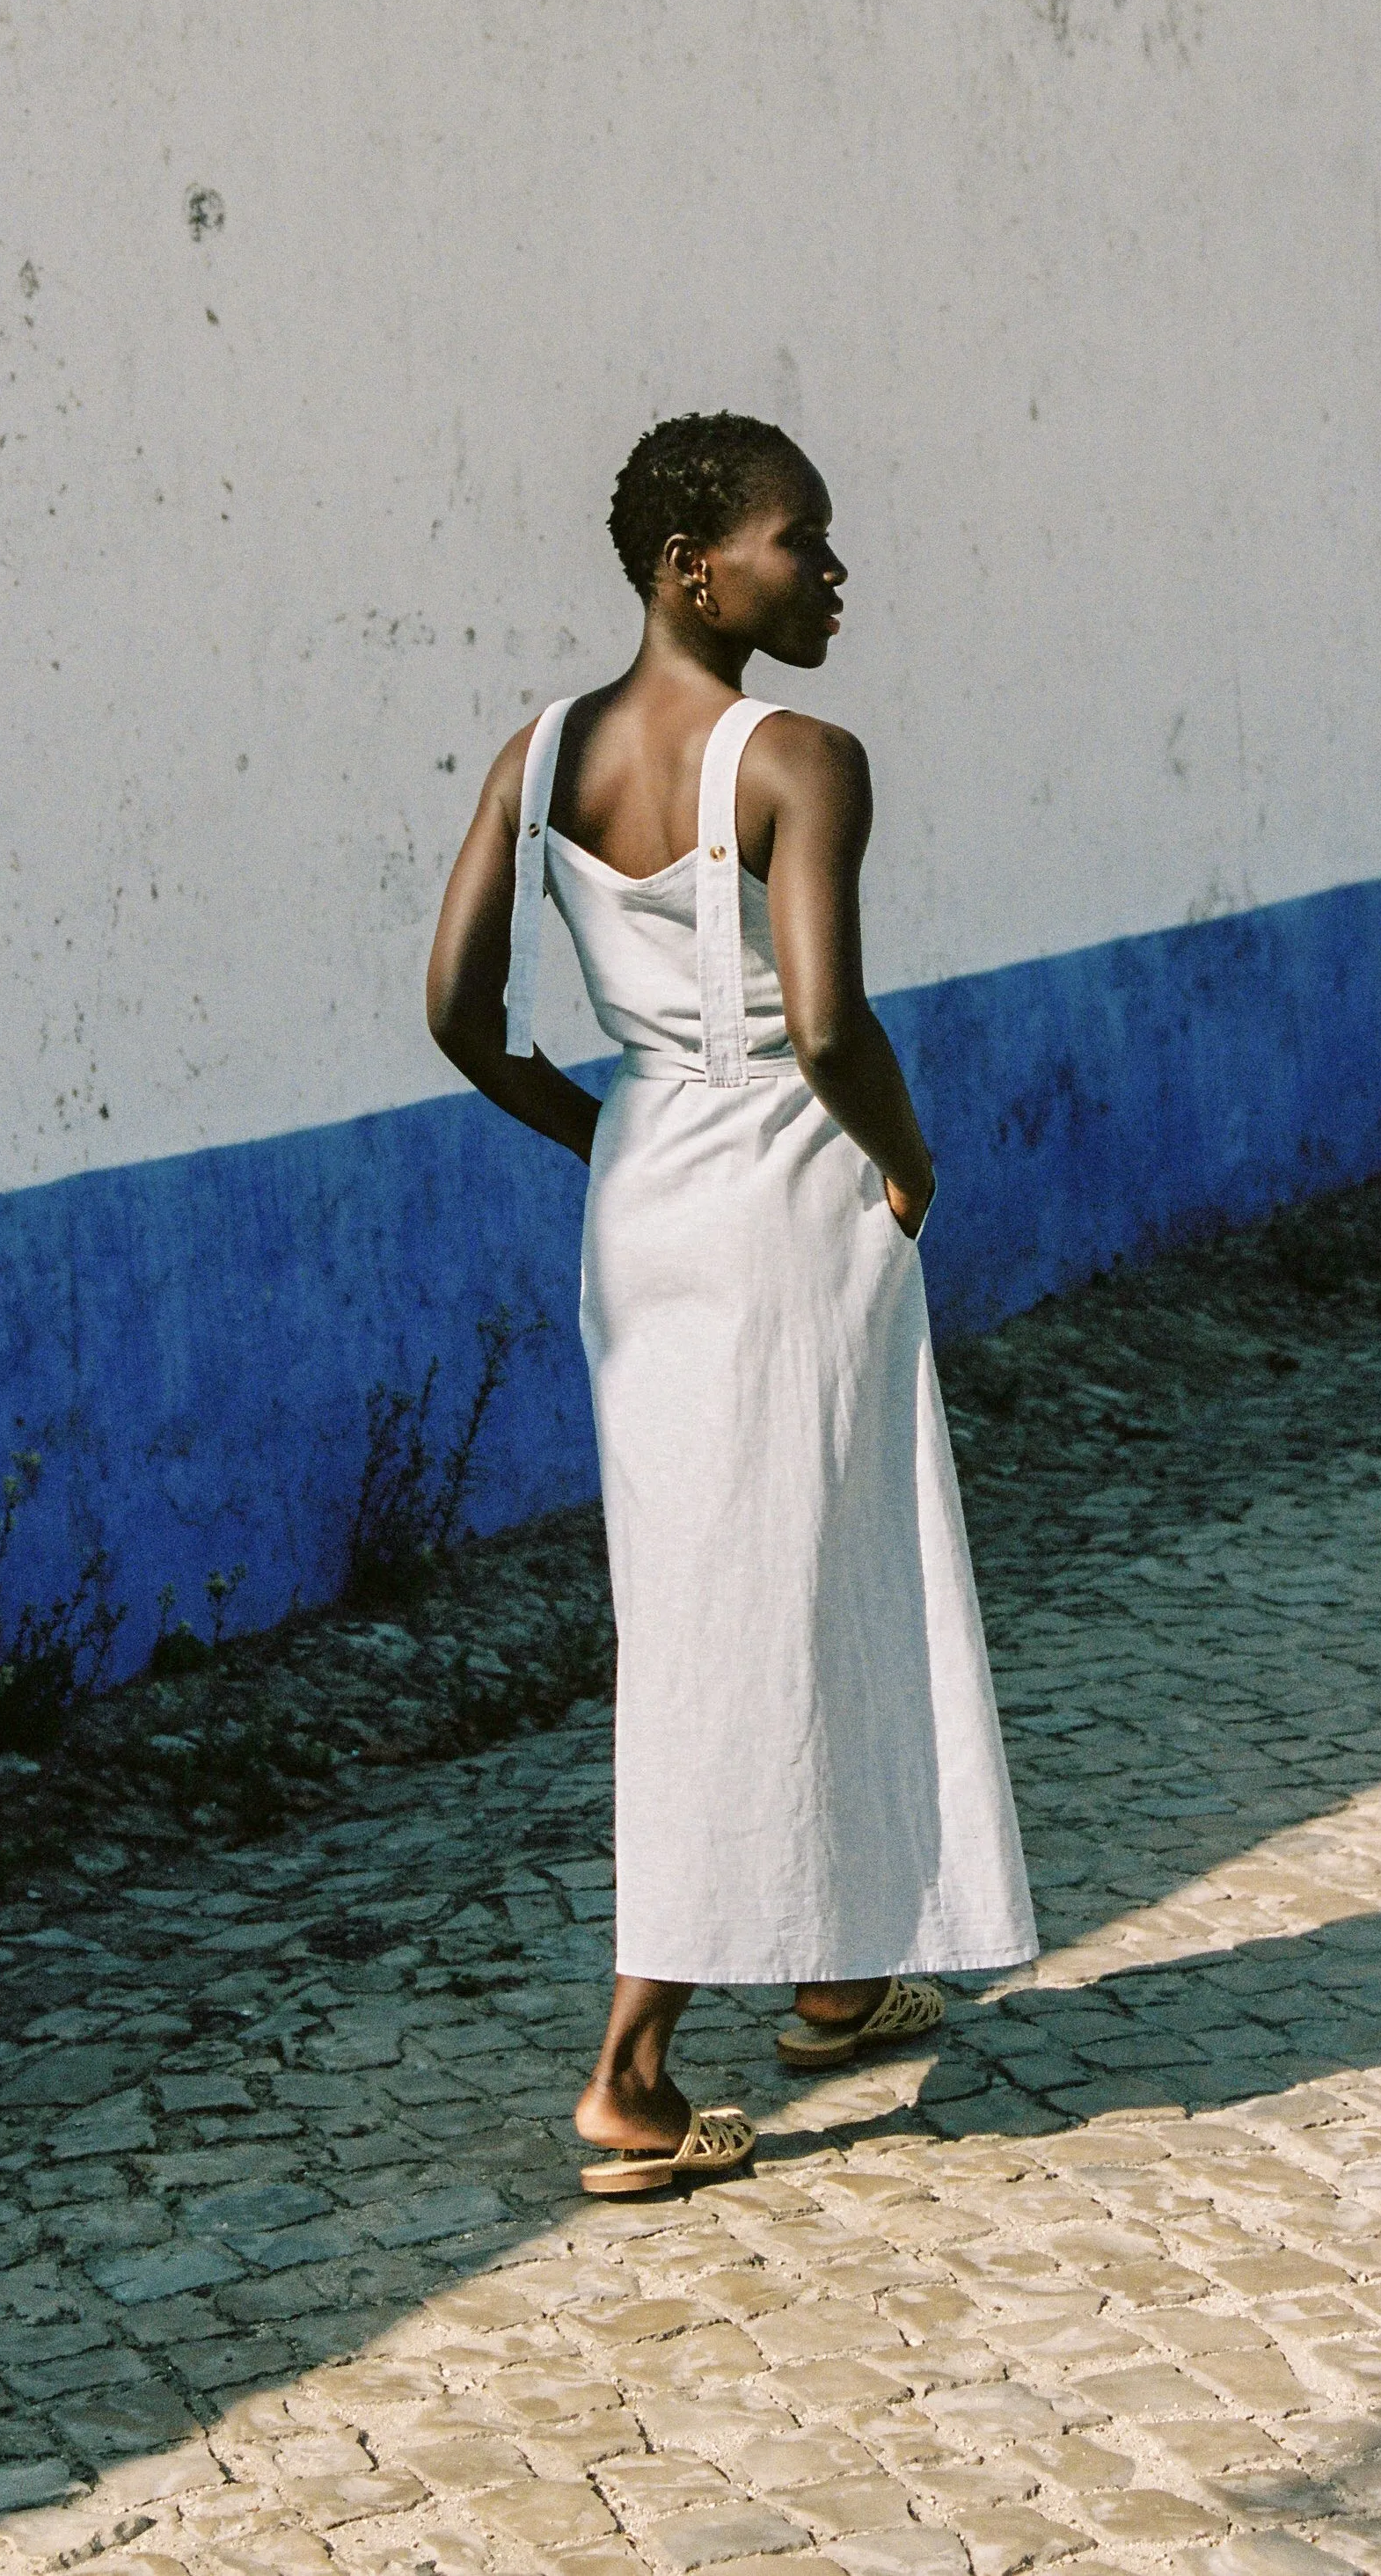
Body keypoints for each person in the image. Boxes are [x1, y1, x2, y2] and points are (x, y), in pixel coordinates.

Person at [427, 412, 1035, 2196]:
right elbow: (829, 1021)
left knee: (749, 1562)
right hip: (788, 1186)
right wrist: (908, 1159)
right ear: (699, 567)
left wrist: (602, 1123)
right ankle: (628, 2067)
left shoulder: (537, 756)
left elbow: (460, 1016)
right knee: (765, 1585)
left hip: (646, 1200)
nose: (831, 570)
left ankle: (840, 1967)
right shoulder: (803, 757)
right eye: (803, 541)